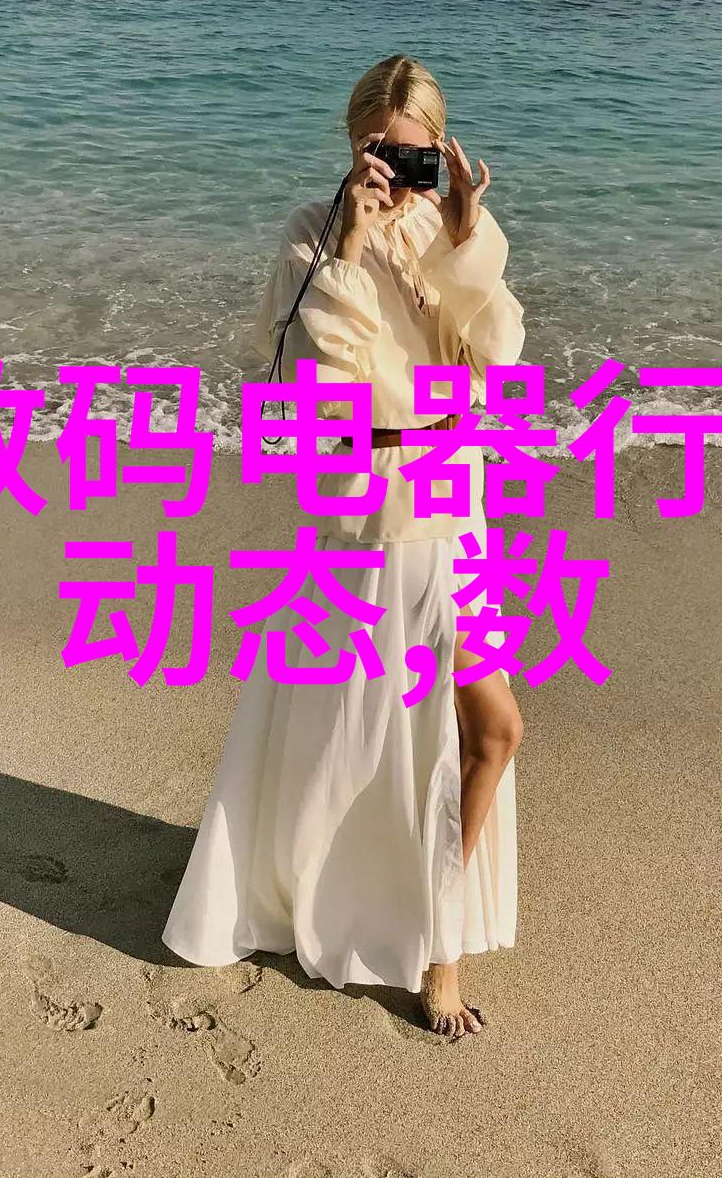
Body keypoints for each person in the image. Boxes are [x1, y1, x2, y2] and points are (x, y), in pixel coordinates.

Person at [161, 54, 527, 1039]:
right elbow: (320, 392)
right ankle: (423, 942)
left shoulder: (446, 228)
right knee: (389, 737)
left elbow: (497, 358)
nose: (396, 173)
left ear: (439, 148)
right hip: (372, 512)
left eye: (415, 155)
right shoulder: (311, 235)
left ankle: (434, 933)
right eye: (379, 151)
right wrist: (351, 248)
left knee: (489, 731)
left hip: (456, 496)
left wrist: (467, 241)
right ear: (351, 140)